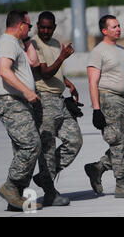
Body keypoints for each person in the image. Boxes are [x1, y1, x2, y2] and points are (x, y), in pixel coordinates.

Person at [84, 15, 124, 198]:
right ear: (104, 31)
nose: (118, 29)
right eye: (114, 27)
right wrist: (96, 109)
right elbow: (92, 82)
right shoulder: (98, 52)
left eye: (119, 25)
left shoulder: (122, 51)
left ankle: (99, 167)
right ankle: (121, 184)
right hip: (109, 99)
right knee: (117, 142)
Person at [30, 11, 83, 206]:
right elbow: (44, 73)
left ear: (54, 27)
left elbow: (55, 71)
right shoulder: (34, 44)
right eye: (42, 27)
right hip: (44, 101)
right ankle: (50, 191)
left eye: (49, 27)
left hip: (59, 100)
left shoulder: (55, 43)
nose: (45, 30)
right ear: (37, 25)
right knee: (48, 148)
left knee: (75, 141)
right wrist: (62, 57)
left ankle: (46, 176)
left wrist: (67, 82)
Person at [0, 10, 42, 211]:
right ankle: (11, 186)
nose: (30, 29)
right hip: (11, 102)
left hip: (20, 103)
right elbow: (4, 71)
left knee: (23, 148)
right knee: (31, 144)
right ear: (20, 24)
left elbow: (34, 63)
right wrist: (27, 91)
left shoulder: (16, 44)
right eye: (29, 26)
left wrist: (28, 39)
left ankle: (16, 197)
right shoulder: (7, 42)